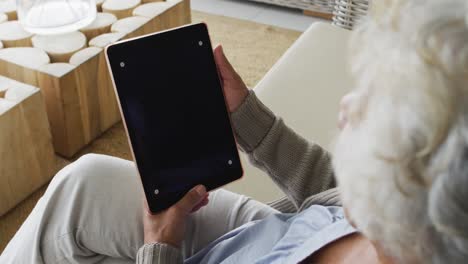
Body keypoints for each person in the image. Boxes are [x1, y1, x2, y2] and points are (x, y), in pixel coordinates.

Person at [2, 0, 468, 263]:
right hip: (283, 232)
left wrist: (158, 247)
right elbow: (336, 192)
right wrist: (246, 114)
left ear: (402, 200)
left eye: (369, 115)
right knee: (84, 182)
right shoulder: (396, 226)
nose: (344, 109)